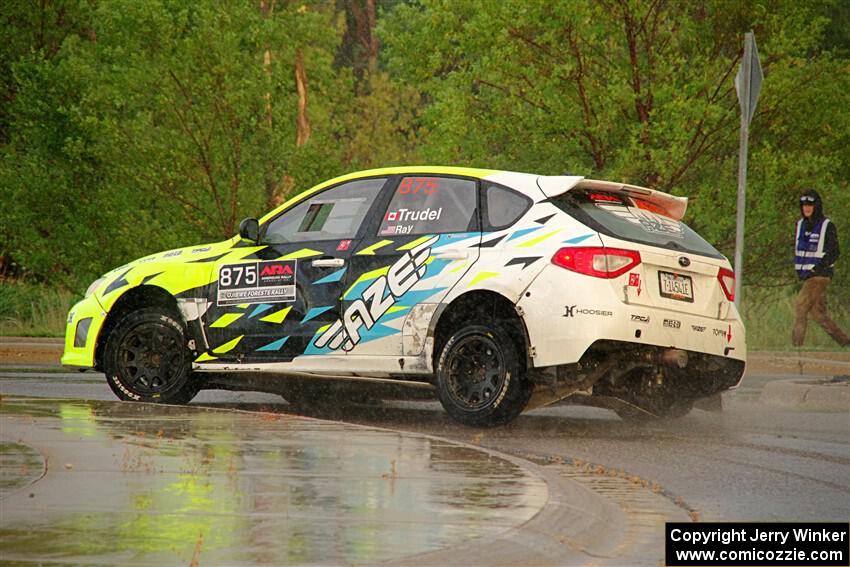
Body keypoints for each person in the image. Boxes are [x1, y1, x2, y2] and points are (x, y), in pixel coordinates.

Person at [792, 189, 850, 347]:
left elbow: (835, 251)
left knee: (800, 306)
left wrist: (817, 268)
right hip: (806, 275)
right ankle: (845, 342)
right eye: (804, 205)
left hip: (819, 276)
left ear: (817, 206)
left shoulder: (827, 225)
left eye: (810, 205)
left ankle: (796, 347)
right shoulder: (800, 225)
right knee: (818, 314)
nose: (807, 208)